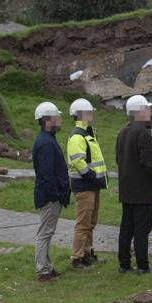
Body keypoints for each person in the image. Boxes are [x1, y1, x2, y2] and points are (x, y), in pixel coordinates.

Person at [114, 94, 152, 275]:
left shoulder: (122, 132)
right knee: (142, 229)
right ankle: (143, 265)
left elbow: (118, 159)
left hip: (127, 189)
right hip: (143, 190)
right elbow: (149, 163)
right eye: (148, 109)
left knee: (126, 228)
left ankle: (124, 263)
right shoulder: (143, 133)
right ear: (140, 112)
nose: (150, 113)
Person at [65, 98, 107, 270]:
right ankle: (77, 258)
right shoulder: (77, 136)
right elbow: (77, 160)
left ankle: (87, 253)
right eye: (89, 112)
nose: (92, 115)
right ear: (81, 115)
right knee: (83, 224)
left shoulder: (87, 133)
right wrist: (89, 176)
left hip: (92, 185)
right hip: (85, 186)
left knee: (91, 222)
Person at [32, 101, 70, 282]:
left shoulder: (47, 139)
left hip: (50, 194)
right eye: (57, 117)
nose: (60, 120)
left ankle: (47, 266)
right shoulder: (46, 143)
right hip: (49, 196)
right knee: (44, 233)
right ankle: (42, 270)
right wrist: (56, 195)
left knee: (47, 232)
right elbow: (47, 173)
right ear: (48, 120)